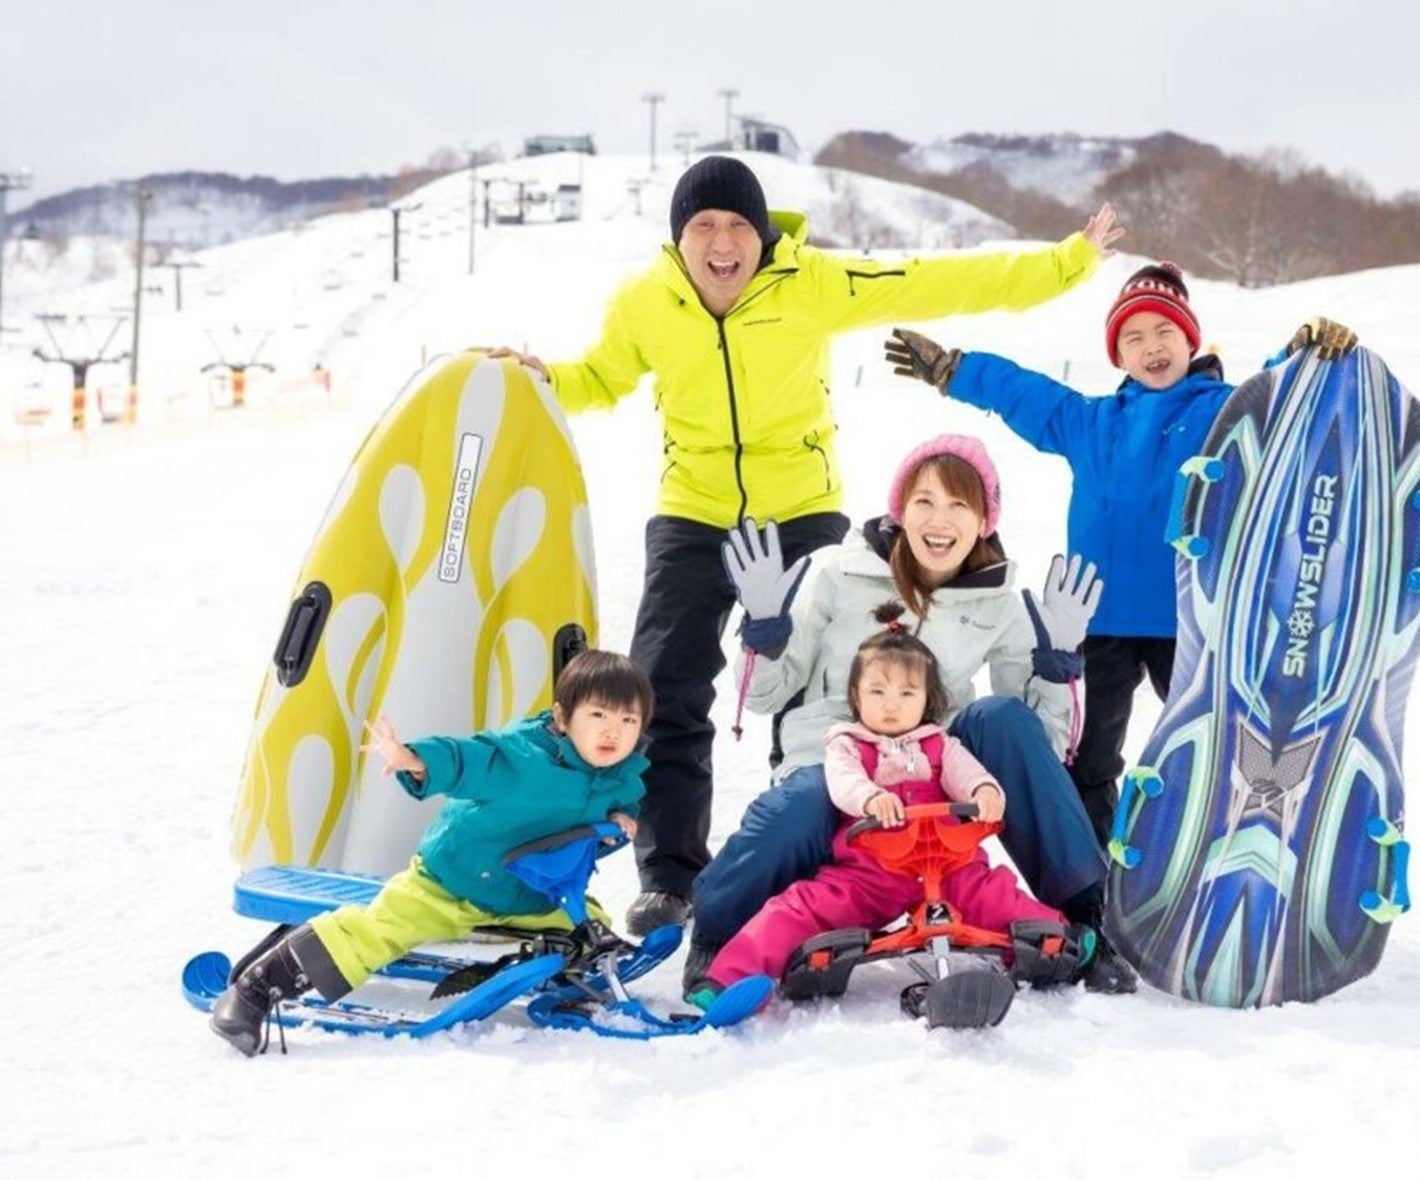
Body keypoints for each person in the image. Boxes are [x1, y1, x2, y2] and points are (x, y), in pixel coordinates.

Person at [488, 155, 1124, 938]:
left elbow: (938, 280)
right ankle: (670, 878)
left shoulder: (811, 282)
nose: (723, 243)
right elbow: (600, 377)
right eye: (703, 227)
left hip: (799, 509)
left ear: (762, 235)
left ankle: (831, 846)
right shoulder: (645, 302)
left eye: (738, 226)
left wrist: (1068, 262)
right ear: (680, 238)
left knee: (824, 687)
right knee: (665, 686)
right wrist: (543, 380)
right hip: (694, 511)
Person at [883, 262, 1357, 842]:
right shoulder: (1093, 423)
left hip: (1191, 616)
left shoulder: (1222, 412)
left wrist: (1304, 356)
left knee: (1220, 744)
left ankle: (1225, 846)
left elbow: (1273, 402)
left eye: (1164, 332)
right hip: (1097, 619)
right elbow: (1026, 394)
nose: (1151, 347)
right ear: (1118, 356)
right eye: (1133, 338)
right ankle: (1092, 870)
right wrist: (955, 370)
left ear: (1191, 340)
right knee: (1088, 757)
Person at [688, 433, 1139, 995]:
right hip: (832, 765)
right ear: (900, 509)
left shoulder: (998, 602)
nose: (939, 520)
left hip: (928, 778)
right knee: (800, 804)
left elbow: (1040, 747)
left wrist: (1058, 668)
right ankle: (716, 934)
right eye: (924, 500)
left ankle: (1084, 917)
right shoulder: (835, 572)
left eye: (959, 504)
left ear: (984, 520)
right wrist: (765, 636)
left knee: (1000, 717)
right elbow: (762, 696)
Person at [207, 650, 653, 1056]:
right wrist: (414, 759)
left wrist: (619, 820)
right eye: (598, 714)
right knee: (381, 928)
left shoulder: (621, 778)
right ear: (562, 716)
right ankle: (257, 989)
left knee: (588, 923)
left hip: (529, 896)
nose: (612, 730)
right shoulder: (521, 757)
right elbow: (465, 758)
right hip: (450, 882)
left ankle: (568, 973)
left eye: (628, 720)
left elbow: (608, 814)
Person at [690, 604, 1097, 1005]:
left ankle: (1060, 942)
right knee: (798, 908)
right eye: (877, 692)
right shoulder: (849, 744)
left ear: (927, 699)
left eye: (906, 693)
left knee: (998, 897)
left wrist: (985, 793)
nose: (891, 704)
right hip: (871, 873)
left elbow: (969, 775)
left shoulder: (941, 744)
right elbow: (843, 782)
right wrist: (870, 798)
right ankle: (729, 978)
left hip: (950, 865)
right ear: (856, 696)